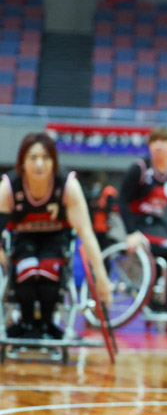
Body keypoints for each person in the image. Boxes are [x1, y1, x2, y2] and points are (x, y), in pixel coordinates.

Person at [0, 132, 112, 339]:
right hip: (23, 237)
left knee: (49, 270)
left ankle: (46, 324)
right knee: (27, 268)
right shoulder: (9, 186)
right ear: (22, 162)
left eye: (45, 157)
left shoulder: (68, 185)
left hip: (56, 237)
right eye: (33, 158)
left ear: (54, 161)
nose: (39, 164)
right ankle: (25, 323)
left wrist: (102, 278)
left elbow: (86, 233)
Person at [119, 126, 167, 314]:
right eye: (154, 141)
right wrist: (131, 232)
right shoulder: (140, 168)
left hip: (156, 223)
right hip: (136, 221)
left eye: (163, 141)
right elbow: (123, 200)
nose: (158, 146)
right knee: (161, 250)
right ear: (150, 146)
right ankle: (150, 295)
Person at [88, 173, 121, 249]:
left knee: (106, 247)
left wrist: (97, 207)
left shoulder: (108, 191)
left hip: (105, 226)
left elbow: (110, 208)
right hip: (98, 226)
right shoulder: (102, 193)